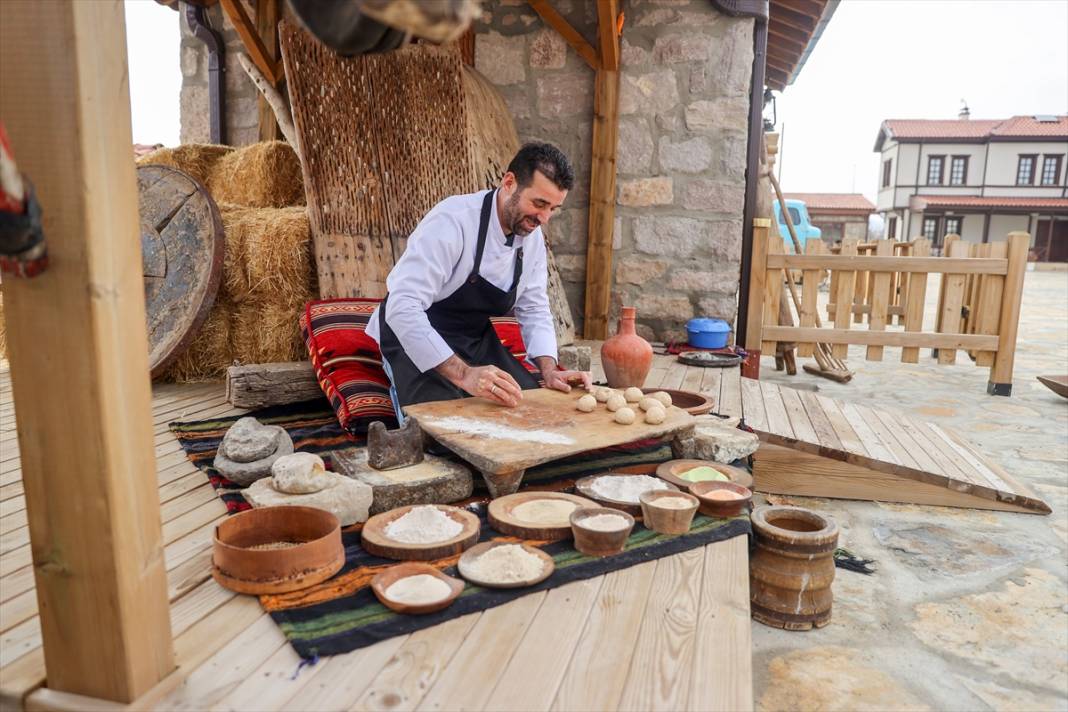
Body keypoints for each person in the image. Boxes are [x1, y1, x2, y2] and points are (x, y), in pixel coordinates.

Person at [367, 142, 592, 415]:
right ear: (509, 182)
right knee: (444, 428)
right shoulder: (453, 221)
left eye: (553, 208)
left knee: (531, 411)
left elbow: (533, 306)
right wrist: (464, 375)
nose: (544, 218)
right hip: (413, 335)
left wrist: (549, 369)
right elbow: (402, 307)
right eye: (539, 203)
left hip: (473, 339)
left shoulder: (530, 236)